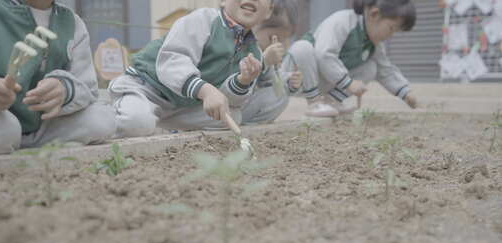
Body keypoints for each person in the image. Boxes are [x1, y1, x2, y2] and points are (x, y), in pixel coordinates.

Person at [0, 0, 115, 155]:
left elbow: (87, 89)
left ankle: (14, 143)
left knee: (100, 119)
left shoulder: (72, 23)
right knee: (5, 130)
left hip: (42, 126)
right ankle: (7, 141)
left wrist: (65, 90)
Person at [109, 0, 273, 137]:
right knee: (136, 123)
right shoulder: (204, 20)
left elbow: (228, 100)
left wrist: (242, 81)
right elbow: (172, 61)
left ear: (269, 12)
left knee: (231, 116)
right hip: (146, 87)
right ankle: (114, 114)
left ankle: (159, 124)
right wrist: (206, 90)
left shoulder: (254, 53)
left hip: (181, 105)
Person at [289, 0, 419, 118]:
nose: (391, 36)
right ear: (374, 14)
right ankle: (315, 103)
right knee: (302, 47)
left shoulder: (374, 44)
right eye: (391, 28)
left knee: (372, 67)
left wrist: (406, 92)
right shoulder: (343, 22)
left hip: (326, 80)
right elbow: (324, 54)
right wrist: (348, 83)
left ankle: (331, 102)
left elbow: (385, 70)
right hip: (300, 79)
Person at [241, 0, 303, 125]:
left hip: (242, 107)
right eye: (272, 37)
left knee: (280, 93)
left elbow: (271, 80)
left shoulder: (265, 50)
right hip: (229, 105)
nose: (277, 44)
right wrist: (264, 61)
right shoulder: (244, 45)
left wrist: (289, 81)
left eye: (284, 39)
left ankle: (249, 123)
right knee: (278, 95)